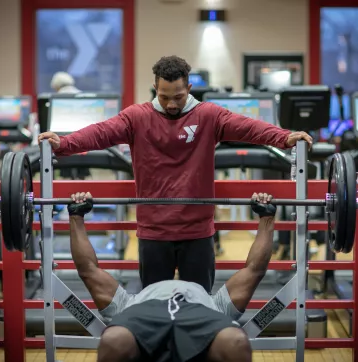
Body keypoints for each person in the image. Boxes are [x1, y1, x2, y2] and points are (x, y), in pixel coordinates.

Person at [39, 55, 313, 293]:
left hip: (197, 232)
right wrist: (63, 144)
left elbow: (250, 128)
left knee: (200, 306)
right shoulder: (136, 117)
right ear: (155, 88)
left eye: (178, 97)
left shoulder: (209, 115)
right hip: (153, 232)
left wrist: (285, 137)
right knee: (154, 307)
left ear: (189, 88)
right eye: (164, 96)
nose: (171, 104)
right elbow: (100, 132)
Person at [68, 191, 277, 362]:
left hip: (197, 317)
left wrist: (266, 217)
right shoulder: (216, 303)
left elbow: (254, 270)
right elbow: (88, 269)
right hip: (147, 316)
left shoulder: (126, 303)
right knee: (114, 340)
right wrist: (76, 217)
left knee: (236, 343)